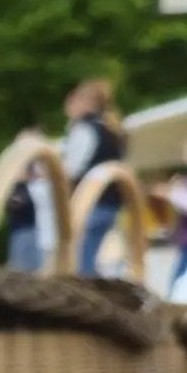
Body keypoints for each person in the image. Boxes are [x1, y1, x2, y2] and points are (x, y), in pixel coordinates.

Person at [62, 78, 126, 273]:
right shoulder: (112, 129)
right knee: (99, 257)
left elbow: (70, 169)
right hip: (110, 203)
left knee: (82, 262)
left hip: (89, 203)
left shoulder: (84, 128)